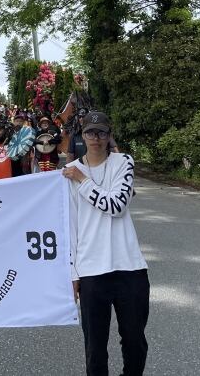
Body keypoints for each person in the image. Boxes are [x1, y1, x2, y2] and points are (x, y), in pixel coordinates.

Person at [62, 111, 149, 376]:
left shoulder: (123, 162)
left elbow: (117, 205)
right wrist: (73, 272)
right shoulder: (71, 172)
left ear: (109, 135)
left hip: (129, 267)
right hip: (91, 271)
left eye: (101, 132)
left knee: (135, 343)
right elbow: (71, 227)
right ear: (82, 135)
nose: (96, 138)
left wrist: (83, 180)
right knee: (95, 348)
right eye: (90, 132)